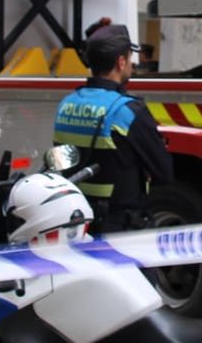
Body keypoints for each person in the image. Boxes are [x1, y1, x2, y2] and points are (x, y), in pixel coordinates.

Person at [52, 20, 171, 234]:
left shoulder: (66, 104)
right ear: (121, 62)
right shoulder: (127, 111)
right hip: (119, 227)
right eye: (130, 58)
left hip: (75, 222)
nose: (132, 64)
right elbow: (163, 172)